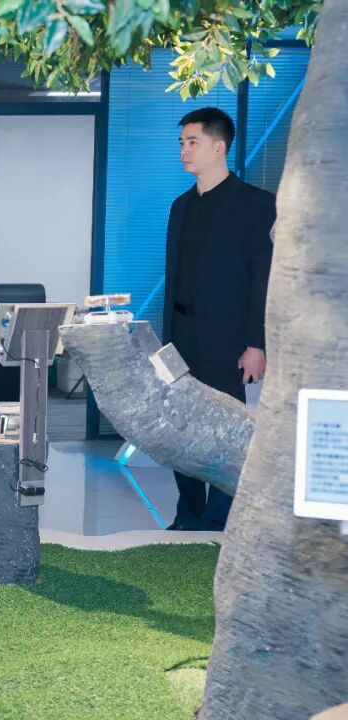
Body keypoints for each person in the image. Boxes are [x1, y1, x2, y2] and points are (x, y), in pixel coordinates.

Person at [164, 107, 275, 531]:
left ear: (218, 147)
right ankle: (187, 516)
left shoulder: (257, 205)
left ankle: (217, 519)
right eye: (181, 143)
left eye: (192, 142)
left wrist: (256, 344)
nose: (184, 150)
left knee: (226, 434)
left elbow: (262, 281)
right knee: (180, 432)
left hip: (227, 343)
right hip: (180, 339)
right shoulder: (180, 206)